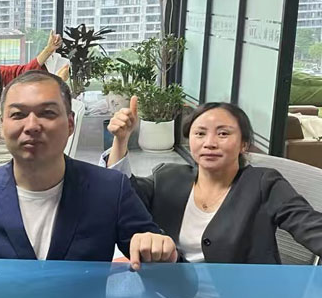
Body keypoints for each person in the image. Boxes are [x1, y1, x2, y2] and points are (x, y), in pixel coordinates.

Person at [0, 70, 178, 268]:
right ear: (2, 127)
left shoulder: (109, 189)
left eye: (47, 113)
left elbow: (174, 281)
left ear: (70, 124)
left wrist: (163, 253)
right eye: (18, 115)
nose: (32, 126)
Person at [105, 98, 322, 263]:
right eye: (200, 134)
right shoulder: (167, 177)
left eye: (223, 134)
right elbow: (123, 196)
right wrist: (121, 140)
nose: (209, 143)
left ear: (244, 144)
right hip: (172, 292)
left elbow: (310, 226)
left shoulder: (263, 183)